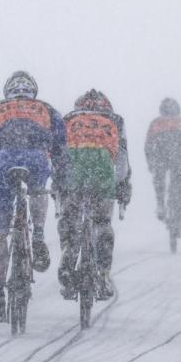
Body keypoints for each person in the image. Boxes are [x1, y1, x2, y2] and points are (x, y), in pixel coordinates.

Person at [0, 71, 67, 322]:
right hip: (36, 157)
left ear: (8, 93)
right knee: (38, 189)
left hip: (3, 161)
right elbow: (61, 149)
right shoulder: (46, 109)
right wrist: (60, 179)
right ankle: (37, 236)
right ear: (33, 92)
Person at [56, 89, 131, 301]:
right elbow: (123, 159)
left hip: (74, 162)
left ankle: (68, 255)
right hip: (102, 165)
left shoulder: (69, 118)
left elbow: (59, 152)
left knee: (69, 218)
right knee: (103, 222)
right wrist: (121, 186)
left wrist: (59, 186)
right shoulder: (115, 121)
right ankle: (103, 274)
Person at [144, 98, 181, 238]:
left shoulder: (156, 122)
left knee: (159, 181)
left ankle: (161, 206)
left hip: (161, 157)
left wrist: (150, 162)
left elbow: (148, 145)